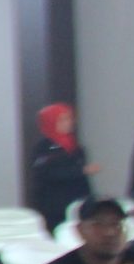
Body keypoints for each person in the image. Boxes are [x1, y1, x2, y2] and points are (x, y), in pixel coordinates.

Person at [27, 102, 99, 237]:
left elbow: (83, 180)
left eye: (70, 118)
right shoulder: (42, 148)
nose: (69, 122)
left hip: (77, 203)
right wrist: (80, 171)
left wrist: (90, 200)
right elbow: (47, 173)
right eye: (63, 119)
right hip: (52, 207)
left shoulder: (77, 148)